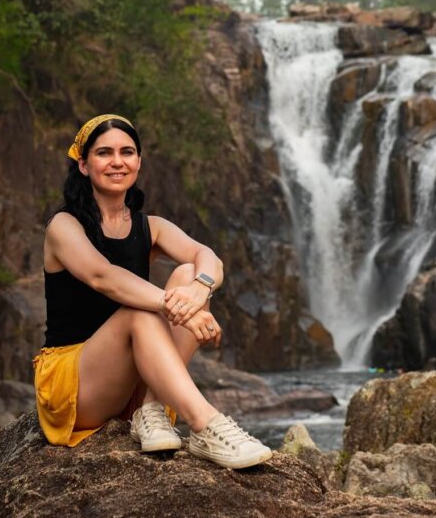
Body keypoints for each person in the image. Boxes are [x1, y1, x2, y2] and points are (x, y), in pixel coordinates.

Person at [33, 113, 272, 470]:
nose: (117, 161)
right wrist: (178, 306)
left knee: (190, 273)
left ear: (139, 162)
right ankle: (206, 424)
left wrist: (196, 291)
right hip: (77, 387)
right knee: (137, 311)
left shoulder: (151, 226)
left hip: (131, 387)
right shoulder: (64, 226)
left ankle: (151, 409)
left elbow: (209, 259)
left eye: (127, 152)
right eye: (104, 153)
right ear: (83, 165)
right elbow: (103, 277)